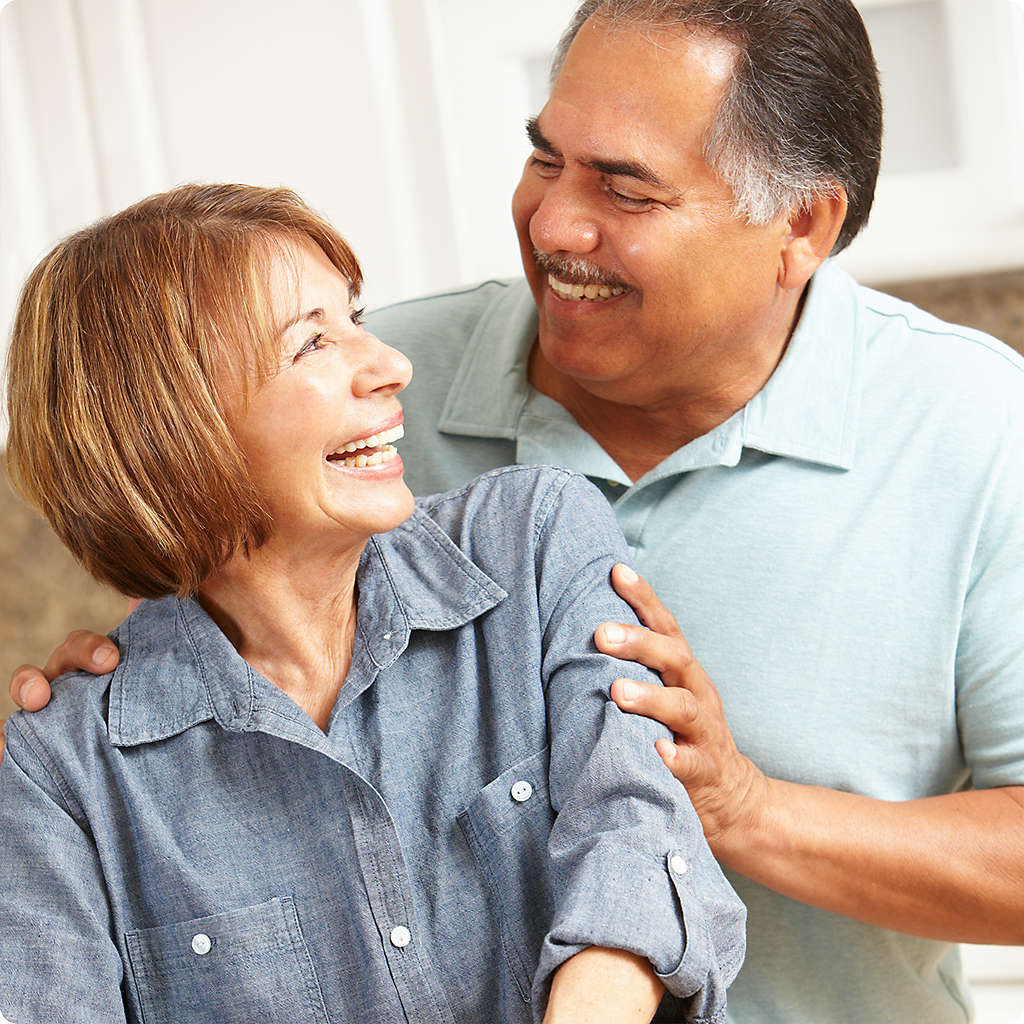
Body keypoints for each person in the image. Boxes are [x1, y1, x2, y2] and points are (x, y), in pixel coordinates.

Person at [8, 0, 1024, 1021]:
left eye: (625, 188)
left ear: (800, 225)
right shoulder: (379, 396)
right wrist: (94, 709)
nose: (552, 224)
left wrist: (744, 808)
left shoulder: (977, 429)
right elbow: (184, 503)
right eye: (546, 160)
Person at [0, 183, 746, 1024]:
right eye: (312, 344)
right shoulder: (67, 768)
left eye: (355, 317)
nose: (391, 366)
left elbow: (637, 833)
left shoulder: (535, 540)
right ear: (171, 426)